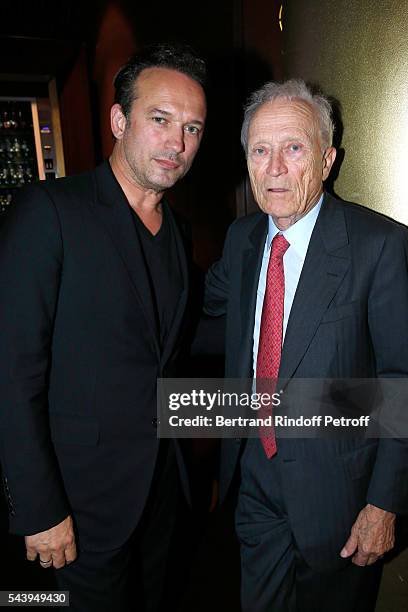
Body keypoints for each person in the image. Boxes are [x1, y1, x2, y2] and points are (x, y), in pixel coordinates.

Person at [0, 43, 206, 611]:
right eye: (160, 120)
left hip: (162, 494)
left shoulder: (180, 232)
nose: (177, 143)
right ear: (119, 120)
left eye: (192, 128)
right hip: (78, 504)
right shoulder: (50, 211)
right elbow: (12, 373)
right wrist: (39, 509)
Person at [205, 79, 408, 611]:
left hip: (342, 498)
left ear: (326, 159)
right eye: (260, 150)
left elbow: (400, 381)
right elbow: (201, 317)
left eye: (293, 148)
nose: (273, 169)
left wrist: (384, 503)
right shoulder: (242, 240)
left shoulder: (379, 246)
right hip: (255, 482)